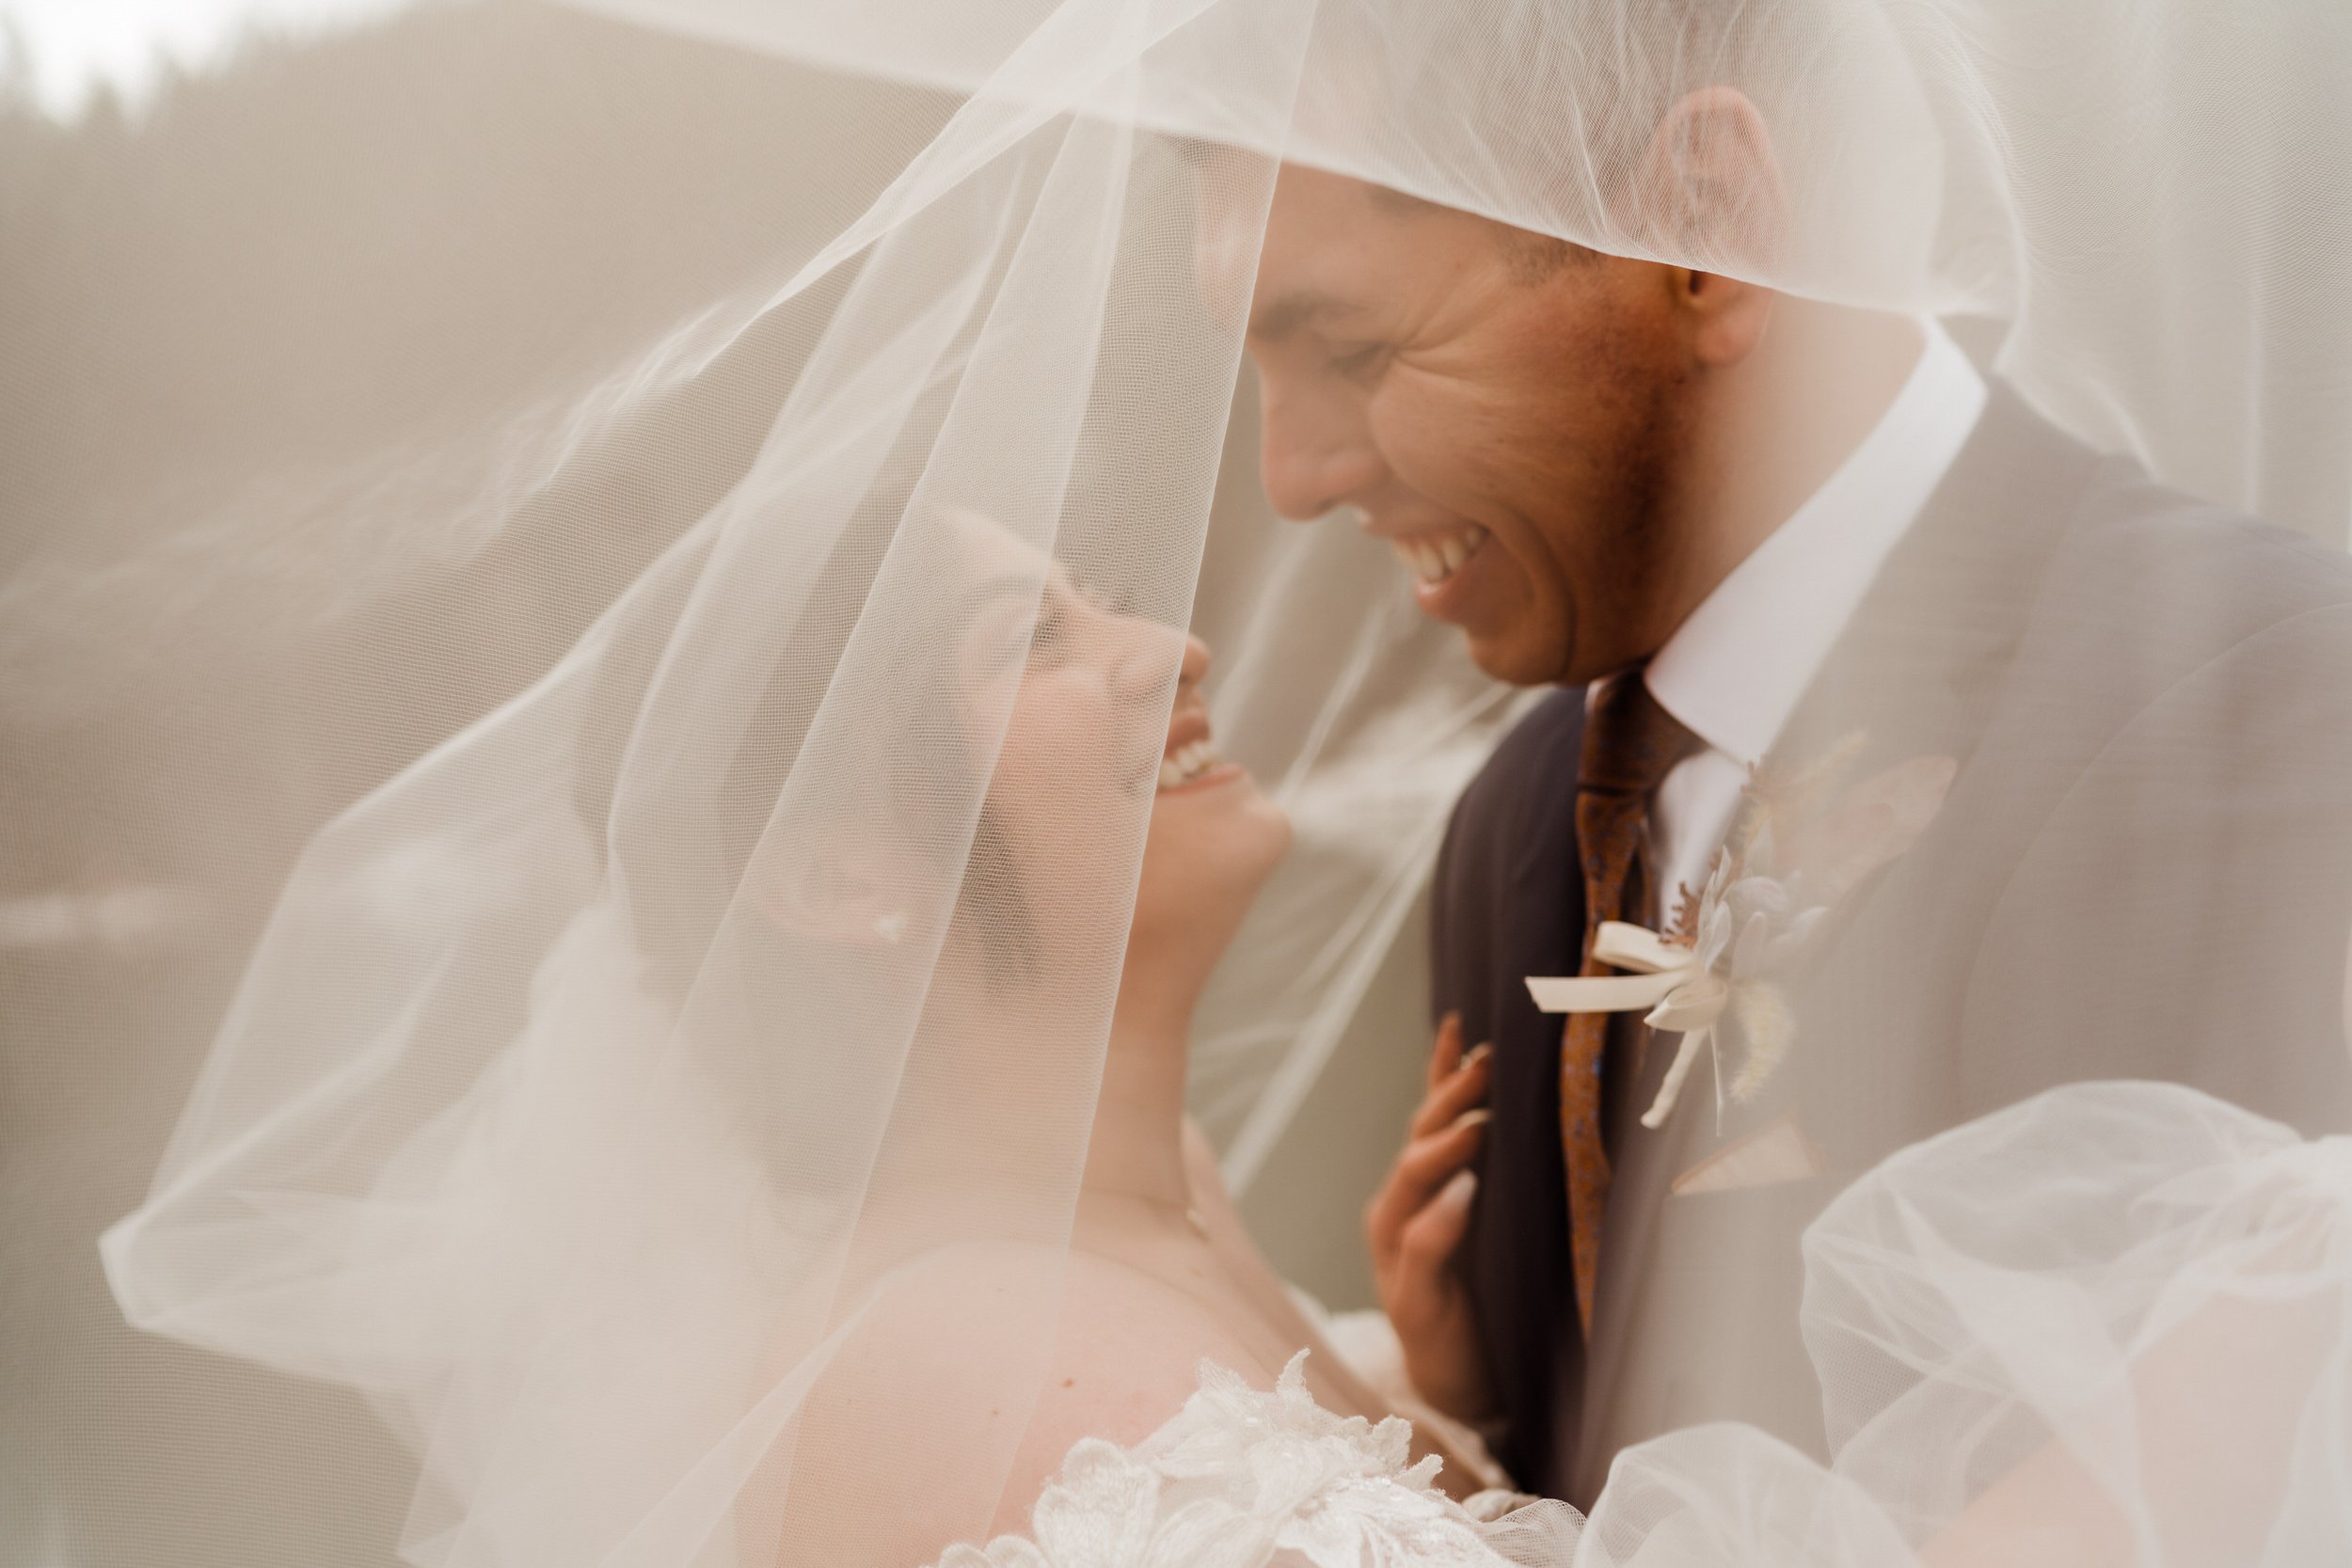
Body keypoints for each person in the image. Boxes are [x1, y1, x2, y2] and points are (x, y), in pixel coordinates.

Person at [1235, 126, 2352, 1498]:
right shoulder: (1518, 821)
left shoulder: (2255, 702)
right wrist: (1470, 1424)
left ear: (1701, 236)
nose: (1295, 475)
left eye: (1351, 352)